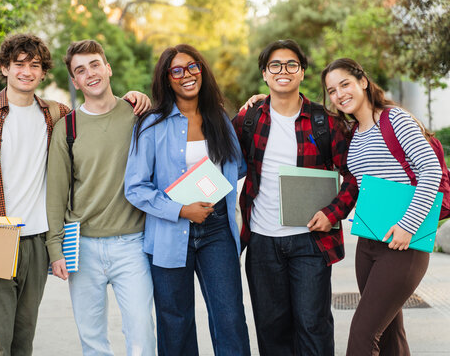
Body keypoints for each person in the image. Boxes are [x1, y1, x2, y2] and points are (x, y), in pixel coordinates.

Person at [0, 33, 150, 356]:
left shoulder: (56, 115)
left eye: (34, 65)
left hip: (36, 241)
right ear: (4, 68)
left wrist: (134, 96)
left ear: (44, 72)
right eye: (18, 65)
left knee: (23, 341)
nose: (26, 72)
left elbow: (96, 109)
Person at [233, 39, 359, 356]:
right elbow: (210, 146)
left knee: (313, 326)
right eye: (275, 65)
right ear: (265, 74)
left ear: (302, 72)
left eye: (292, 64)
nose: (283, 71)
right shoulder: (249, 120)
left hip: (311, 240)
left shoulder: (325, 122)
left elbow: (355, 176)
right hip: (262, 242)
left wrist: (333, 213)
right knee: (271, 328)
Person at [124, 44, 250, 356]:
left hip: (216, 228)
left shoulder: (218, 117)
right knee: (175, 322)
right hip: (169, 231)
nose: (187, 75)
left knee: (230, 318)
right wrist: (181, 208)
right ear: (167, 79)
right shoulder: (151, 125)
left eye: (193, 67)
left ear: (202, 71)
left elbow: (238, 165)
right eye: (177, 70)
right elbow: (135, 187)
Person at [321, 58, 442, 356]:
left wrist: (408, 226)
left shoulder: (394, 119)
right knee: (389, 335)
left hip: (404, 244)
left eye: (345, 84)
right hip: (370, 242)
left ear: (362, 81)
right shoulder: (352, 133)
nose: (339, 94)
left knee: (362, 334)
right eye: (332, 90)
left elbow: (431, 171)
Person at [45, 39, 155, 356]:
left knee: (142, 335)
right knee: (92, 340)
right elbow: (56, 194)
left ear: (107, 68)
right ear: (75, 81)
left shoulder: (139, 115)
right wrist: (55, 249)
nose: (90, 74)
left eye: (95, 65)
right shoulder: (67, 128)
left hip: (132, 244)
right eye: (81, 70)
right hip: (82, 247)